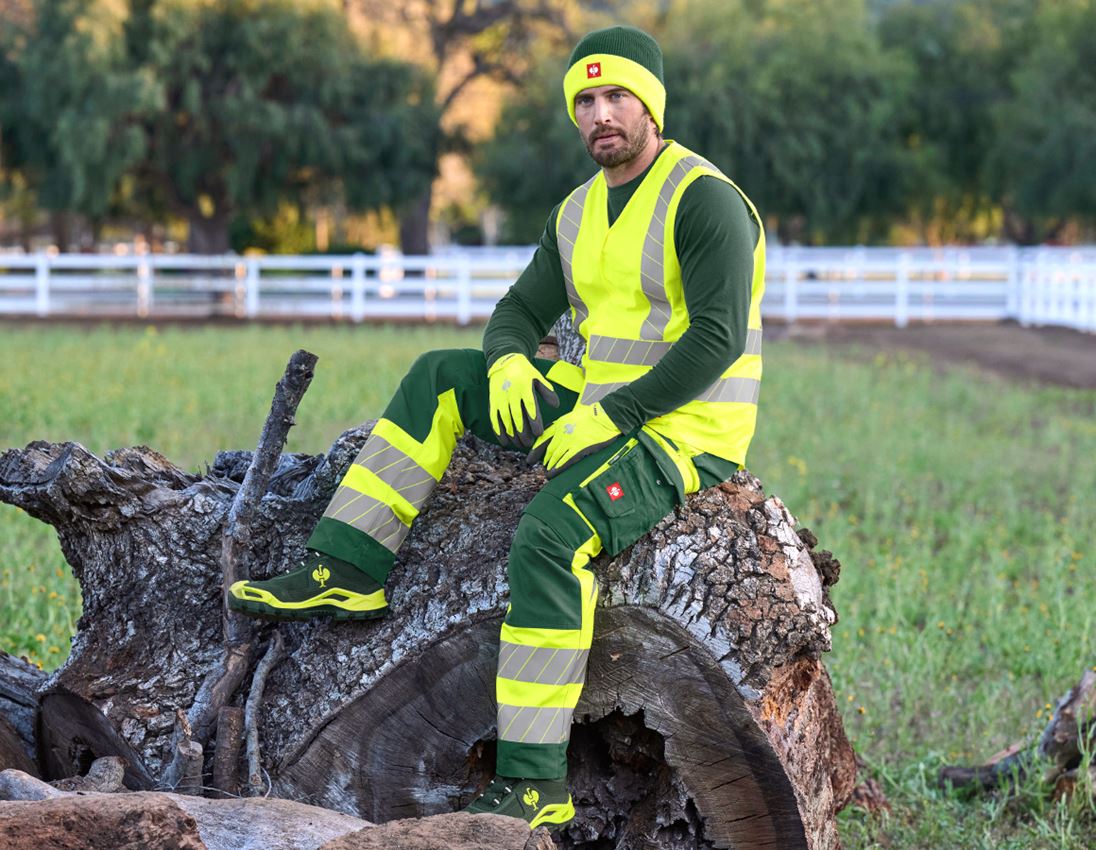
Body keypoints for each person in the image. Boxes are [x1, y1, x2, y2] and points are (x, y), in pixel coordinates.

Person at [227, 24, 765, 831]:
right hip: (592, 406)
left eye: (616, 95)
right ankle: (350, 565)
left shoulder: (706, 200)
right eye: (583, 101)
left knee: (550, 535)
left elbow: (717, 339)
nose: (599, 114)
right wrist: (511, 360)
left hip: (680, 435)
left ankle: (533, 780)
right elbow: (519, 310)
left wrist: (610, 417)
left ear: (650, 104)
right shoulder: (581, 210)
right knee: (441, 376)